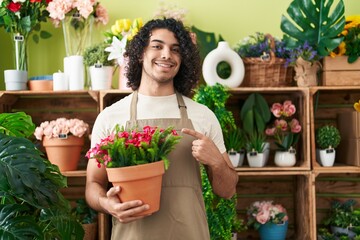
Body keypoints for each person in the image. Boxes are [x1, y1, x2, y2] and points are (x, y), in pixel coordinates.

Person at [85, 18, 238, 240]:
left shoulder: (202, 116)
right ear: (140, 54)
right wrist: (106, 203)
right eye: (157, 46)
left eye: (175, 49)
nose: (166, 54)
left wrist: (215, 161)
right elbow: (93, 184)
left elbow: (227, 190)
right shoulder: (110, 117)